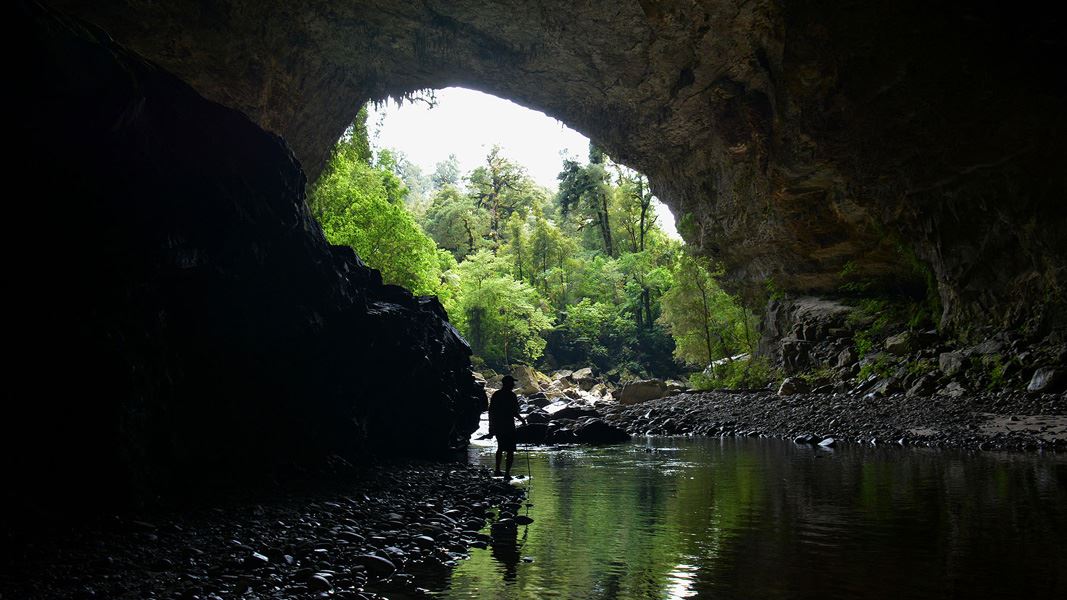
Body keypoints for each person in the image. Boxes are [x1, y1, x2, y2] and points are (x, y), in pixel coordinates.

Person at [488, 375, 526, 479]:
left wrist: (491, 426)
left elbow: (491, 411)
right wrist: (522, 420)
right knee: (510, 450)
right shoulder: (511, 395)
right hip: (509, 425)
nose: (513, 385)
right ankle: (507, 474)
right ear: (508, 383)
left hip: (498, 425)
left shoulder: (496, 394)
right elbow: (514, 411)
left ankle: (497, 470)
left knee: (500, 447)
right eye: (512, 383)